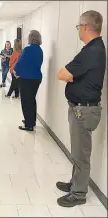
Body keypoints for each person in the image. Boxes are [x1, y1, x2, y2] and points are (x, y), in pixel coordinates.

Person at [56, 10, 106, 207]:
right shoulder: (94, 49)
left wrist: (70, 76)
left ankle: (78, 194)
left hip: (83, 111)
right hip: (82, 109)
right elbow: (68, 74)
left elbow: (62, 74)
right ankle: (75, 183)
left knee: (81, 154)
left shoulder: (91, 51)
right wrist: (72, 76)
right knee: (78, 151)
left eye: (78, 27)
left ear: (85, 27)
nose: (78, 30)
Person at [14, 30, 43, 131]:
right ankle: (32, 120)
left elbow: (20, 62)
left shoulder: (27, 49)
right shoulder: (40, 50)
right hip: (37, 79)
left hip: (27, 79)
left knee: (26, 101)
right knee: (32, 100)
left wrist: (16, 71)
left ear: (30, 38)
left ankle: (28, 124)